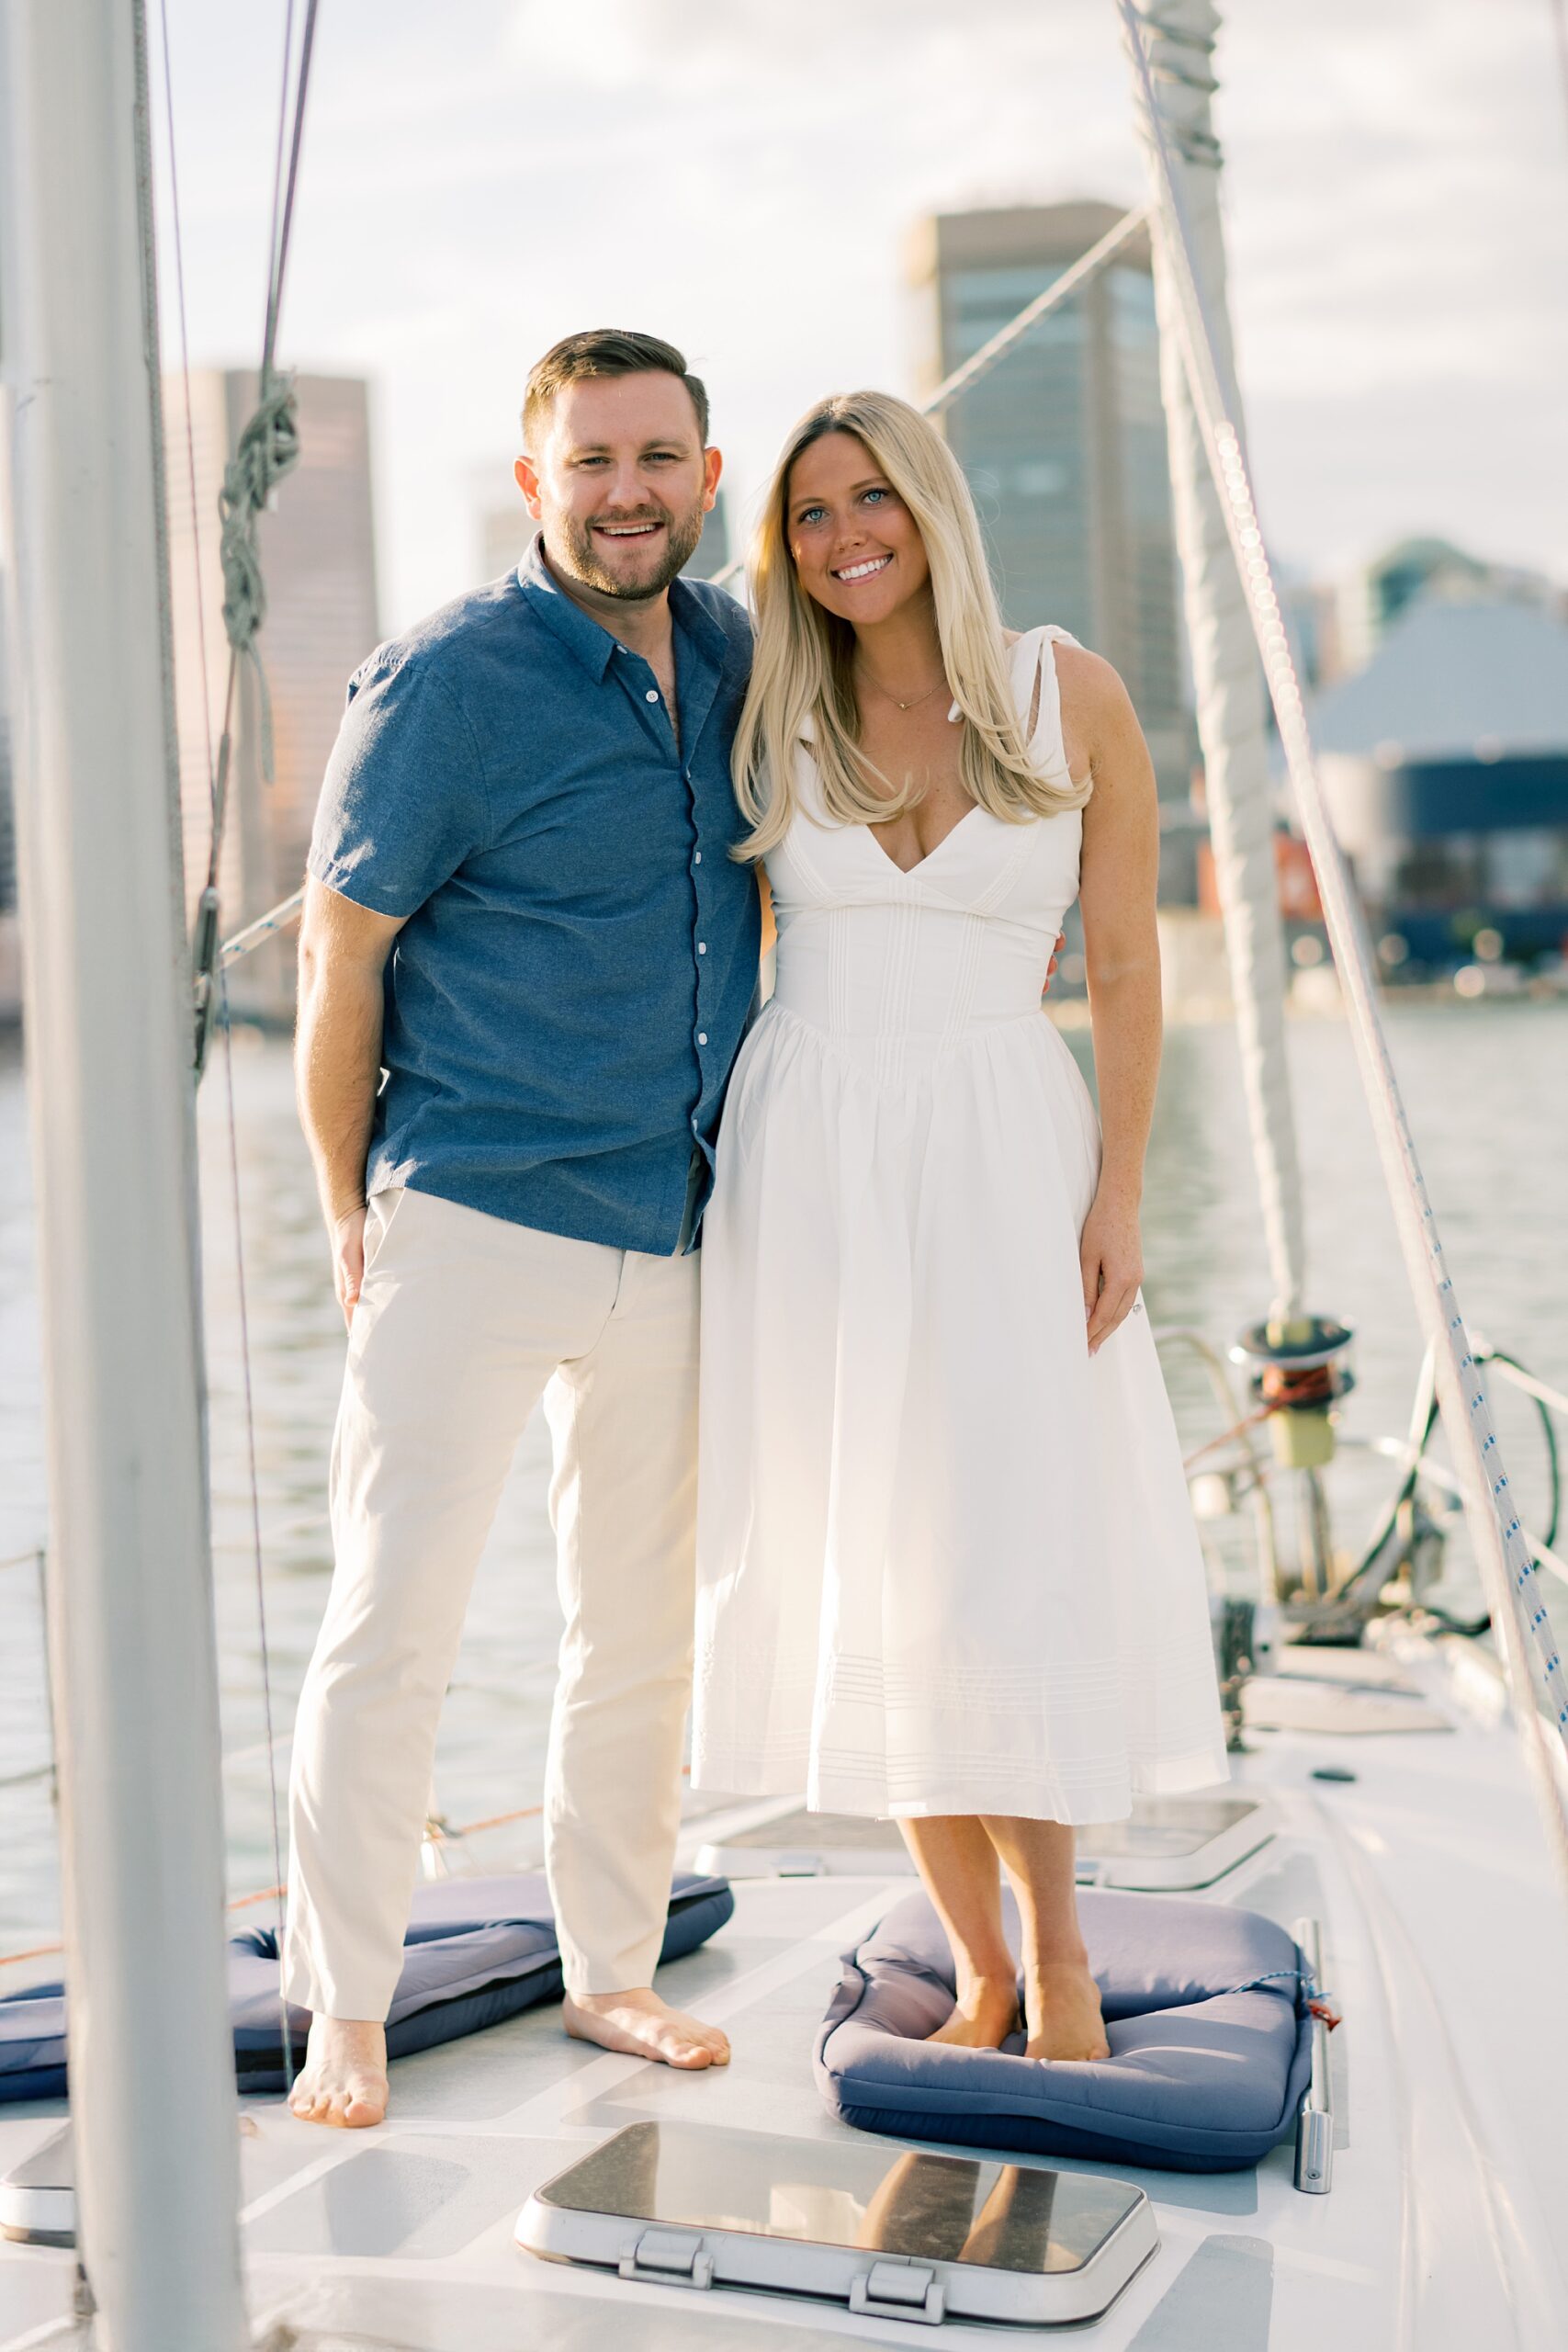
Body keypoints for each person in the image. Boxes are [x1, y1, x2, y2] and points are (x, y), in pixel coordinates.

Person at [692, 390, 1229, 2064]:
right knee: (881, 1554)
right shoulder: (767, 705)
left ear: (931, 505)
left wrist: (1120, 1190)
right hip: (817, 1163)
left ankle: (1062, 1962)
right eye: (808, 514)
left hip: (1008, 1149)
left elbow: (1131, 963)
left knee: (1007, 1553)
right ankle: (976, 1968)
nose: (846, 535)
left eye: (873, 499)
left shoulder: (1066, 693)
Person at [284, 329, 761, 2126]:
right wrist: (346, 1208)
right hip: (469, 1217)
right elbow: (343, 950)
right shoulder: (443, 681)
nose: (625, 491)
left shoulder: (733, 651)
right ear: (531, 482)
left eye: (655, 457)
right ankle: (343, 1997)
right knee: (390, 1622)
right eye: (590, 461)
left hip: (675, 1224)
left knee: (634, 1630)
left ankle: (612, 1971)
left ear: (705, 477)